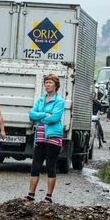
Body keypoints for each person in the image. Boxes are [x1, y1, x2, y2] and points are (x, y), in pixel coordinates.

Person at [24, 74, 65, 204]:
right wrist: (44, 114)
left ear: (55, 85)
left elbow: (54, 118)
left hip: (53, 137)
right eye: (46, 82)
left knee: (50, 167)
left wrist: (40, 118)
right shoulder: (41, 99)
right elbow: (31, 114)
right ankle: (31, 194)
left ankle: (48, 196)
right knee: (35, 166)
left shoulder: (60, 101)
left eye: (50, 82)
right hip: (40, 137)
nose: (48, 85)